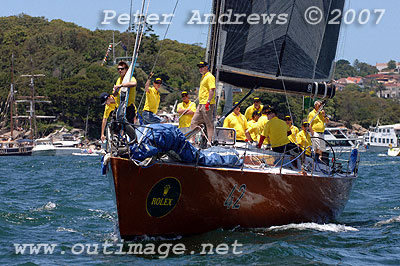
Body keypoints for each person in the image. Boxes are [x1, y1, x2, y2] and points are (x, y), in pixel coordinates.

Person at [190, 61, 216, 141]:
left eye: (202, 67)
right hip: (201, 103)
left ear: (206, 67)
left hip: (207, 103)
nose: (200, 69)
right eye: (199, 67)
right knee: (194, 122)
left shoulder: (210, 76)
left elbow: (212, 89)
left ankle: (210, 141)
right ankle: (192, 140)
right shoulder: (203, 77)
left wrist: (208, 102)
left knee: (209, 123)